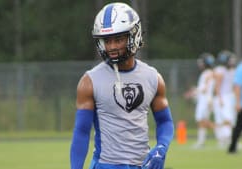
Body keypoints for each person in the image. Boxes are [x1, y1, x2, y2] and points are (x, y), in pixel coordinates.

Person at [70, 2, 174, 169]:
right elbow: (81, 132)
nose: (111, 47)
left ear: (134, 35)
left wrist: (161, 148)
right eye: (107, 40)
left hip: (143, 165)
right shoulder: (90, 81)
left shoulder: (153, 77)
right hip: (106, 165)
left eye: (118, 39)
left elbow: (165, 121)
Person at [213, 50, 237, 148]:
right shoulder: (220, 71)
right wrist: (220, 98)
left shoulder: (232, 71)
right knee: (224, 118)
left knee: (229, 119)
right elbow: (217, 86)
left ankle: (226, 139)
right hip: (223, 96)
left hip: (230, 96)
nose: (232, 62)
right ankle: (225, 138)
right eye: (230, 60)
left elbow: (234, 86)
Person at [193, 53, 215, 148]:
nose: (200, 64)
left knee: (203, 121)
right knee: (201, 121)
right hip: (204, 99)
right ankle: (201, 141)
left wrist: (195, 91)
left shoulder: (208, 73)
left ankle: (224, 135)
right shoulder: (208, 73)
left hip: (205, 99)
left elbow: (205, 88)